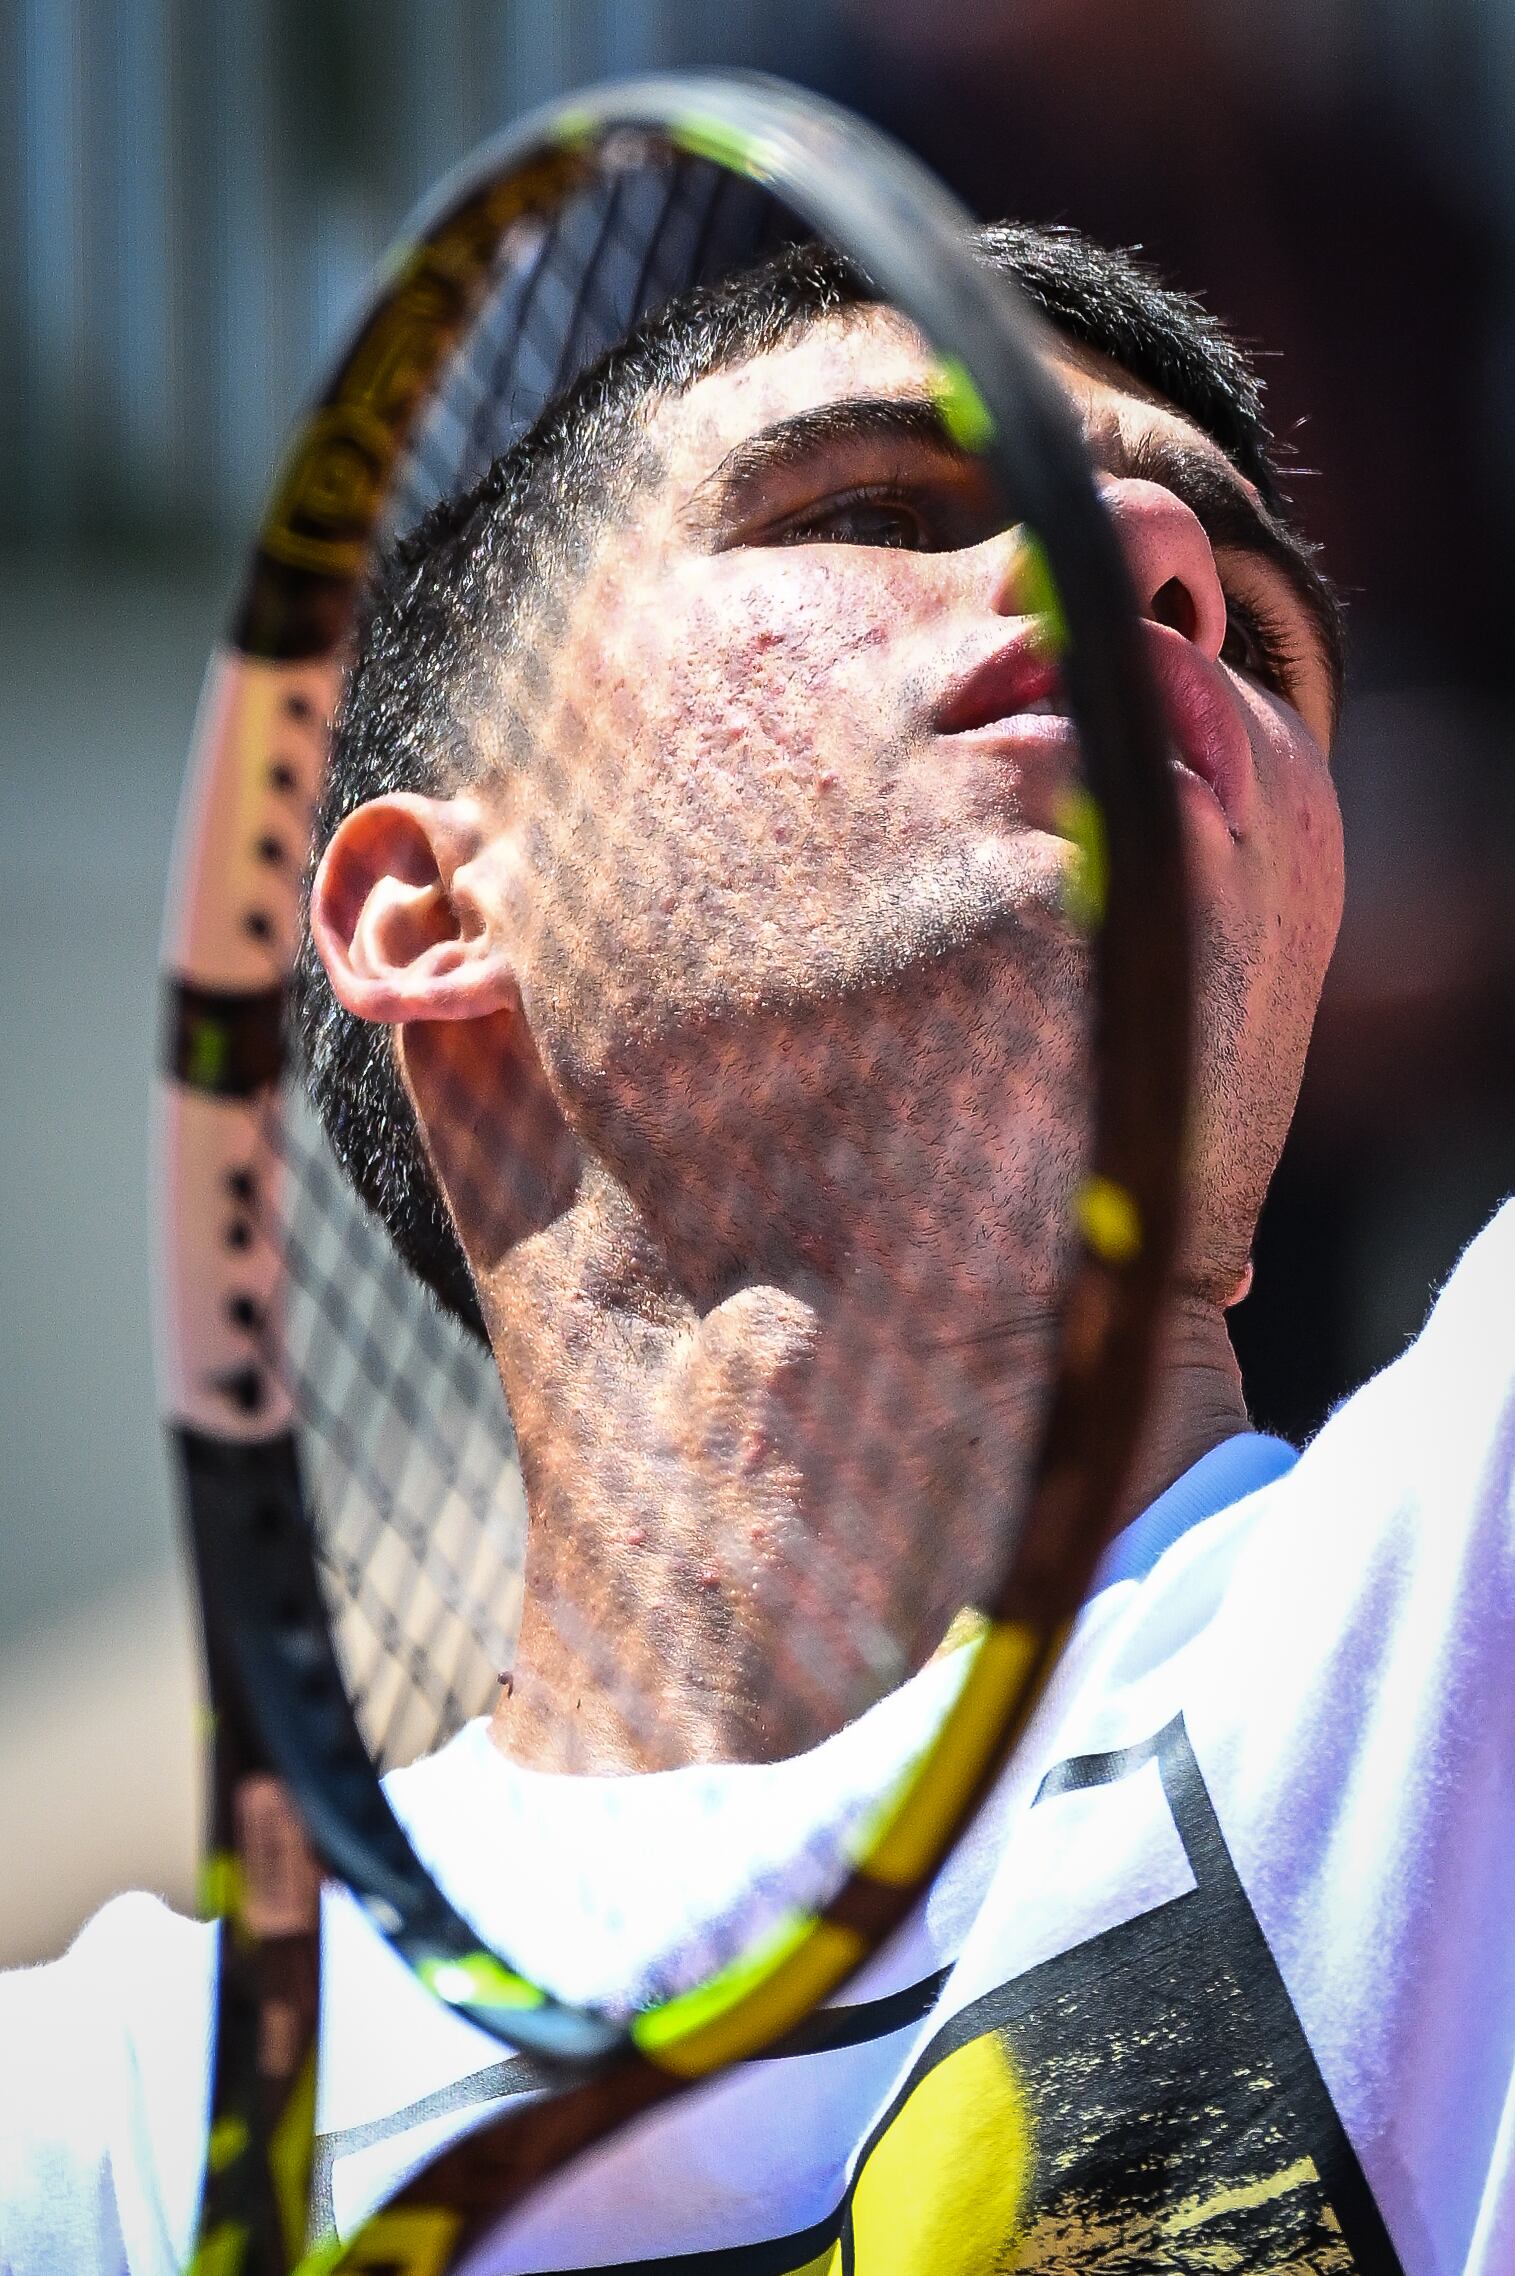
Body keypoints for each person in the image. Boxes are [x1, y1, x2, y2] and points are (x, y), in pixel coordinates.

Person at [2, 223, 1510, 2276]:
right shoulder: (101, 2142)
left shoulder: (1458, 1613)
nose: (1147, 560)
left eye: (1247, 636)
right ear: (430, 908)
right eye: (879, 503)